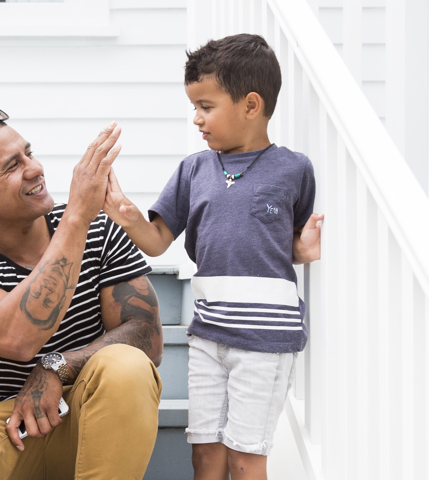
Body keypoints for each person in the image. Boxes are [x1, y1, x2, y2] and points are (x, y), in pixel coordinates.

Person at [104, 34, 324, 480]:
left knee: (246, 458)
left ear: (250, 105)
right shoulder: (194, 169)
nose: (196, 120)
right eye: (194, 107)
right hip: (208, 336)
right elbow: (157, 239)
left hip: (264, 340)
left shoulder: (294, 169)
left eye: (206, 106)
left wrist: (301, 250)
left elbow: (289, 238)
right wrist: (124, 213)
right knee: (205, 455)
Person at [0, 109, 164, 479]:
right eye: (12, 165)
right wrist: (77, 217)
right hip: (5, 427)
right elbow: (17, 339)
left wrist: (57, 366)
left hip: (90, 416)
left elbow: (147, 336)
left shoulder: (100, 229)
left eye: (29, 153)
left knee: (125, 367)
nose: (34, 169)